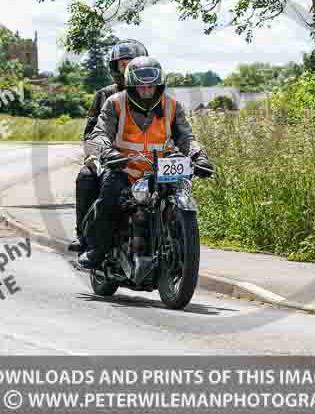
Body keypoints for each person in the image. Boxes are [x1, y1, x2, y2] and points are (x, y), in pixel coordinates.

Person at [77, 56, 214, 269]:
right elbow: (100, 133)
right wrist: (108, 152)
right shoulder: (115, 103)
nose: (147, 91)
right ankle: (97, 248)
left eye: (151, 87)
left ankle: (175, 241)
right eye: (141, 87)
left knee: (177, 195)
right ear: (131, 86)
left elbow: (186, 138)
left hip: (161, 170)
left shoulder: (172, 106)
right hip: (124, 167)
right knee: (109, 198)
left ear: (159, 86)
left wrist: (199, 156)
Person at [69, 39, 149, 253]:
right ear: (116, 68)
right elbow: (90, 134)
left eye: (133, 63)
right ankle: (85, 237)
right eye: (124, 64)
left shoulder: (154, 94)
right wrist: (97, 157)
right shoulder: (104, 95)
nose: (129, 68)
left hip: (146, 159)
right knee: (86, 177)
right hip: (112, 159)